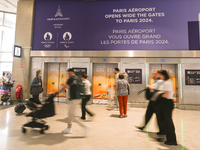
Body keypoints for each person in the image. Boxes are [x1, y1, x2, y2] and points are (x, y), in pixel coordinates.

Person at [58, 69, 90, 136]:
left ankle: (84, 126)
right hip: (77, 98)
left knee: (71, 113)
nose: (68, 74)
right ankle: (69, 128)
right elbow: (72, 87)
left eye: (68, 73)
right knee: (71, 113)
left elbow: (65, 86)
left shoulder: (70, 79)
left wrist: (57, 92)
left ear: (70, 72)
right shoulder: (77, 79)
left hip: (74, 99)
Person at [136, 70, 165, 135]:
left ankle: (162, 130)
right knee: (148, 114)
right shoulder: (156, 81)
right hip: (152, 100)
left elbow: (154, 89)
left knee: (158, 117)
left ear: (159, 74)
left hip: (157, 101)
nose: (154, 75)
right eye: (154, 74)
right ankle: (143, 126)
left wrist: (149, 86)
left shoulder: (160, 81)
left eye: (155, 74)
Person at [157, 70, 177, 145]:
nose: (159, 76)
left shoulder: (167, 83)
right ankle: (170, 138)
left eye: (159, 75)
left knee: (168, 122)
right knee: (167, 121)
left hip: (167, 103)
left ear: (163, 75)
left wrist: (158, 95)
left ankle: (171, 140)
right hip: (166, 103)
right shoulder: (167, 82)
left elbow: (165, 94)